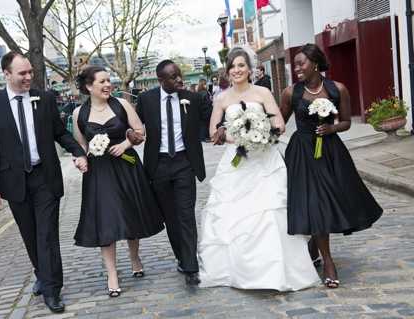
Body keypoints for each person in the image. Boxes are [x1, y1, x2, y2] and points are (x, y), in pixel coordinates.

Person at [199, 47, 320, 291]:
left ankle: (277, 271)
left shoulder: (263, 92)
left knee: (270, 213)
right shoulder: (221, 98)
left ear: (249, 69)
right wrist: (235, 136)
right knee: (236, 215)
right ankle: (239, 270)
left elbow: (278, 121)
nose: (236, 70)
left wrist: (265, 131)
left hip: (265, 161)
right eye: (232, 66)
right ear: (227, 70)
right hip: (236, 163)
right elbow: (213, 132)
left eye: (241, 65)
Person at [0, 51, 88, 313]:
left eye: (30, 72)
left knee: (47, 236)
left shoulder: (45, 98)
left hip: (45, 178)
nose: (29, 77)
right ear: (6, 74)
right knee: (30, 236)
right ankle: (42, 273)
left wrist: (78, 152)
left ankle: (52, 290)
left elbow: (59, 132)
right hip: (14, 182)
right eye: (22, 73)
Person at [280, 43, 383, 289]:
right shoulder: (290, 93)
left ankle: (314, 247)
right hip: (303, 153)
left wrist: (331, 128)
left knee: (331, 200)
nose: (297, 69)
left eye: (301, 63)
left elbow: (346, 121)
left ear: (315, 63)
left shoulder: (338, 89)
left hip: (330, 152)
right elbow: (279, 123)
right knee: (315, 201)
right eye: (295, 65)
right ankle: (328, 262)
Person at [71, 66, 164, 297]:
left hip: (127, 167)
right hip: (98, 174)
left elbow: (140, 131)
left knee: (131, 216)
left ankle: (134, 257)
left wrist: (125, 144)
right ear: (89, 86)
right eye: (102, 81)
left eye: (108, 80)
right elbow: (81, 146)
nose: (107, 85)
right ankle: (112, 274)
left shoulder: (121, 105)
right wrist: (80, 159)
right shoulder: (78, 114)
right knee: (106, 222)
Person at [127, 60, 211, 285]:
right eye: (173, 77)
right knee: (170, 218)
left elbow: (213, 119)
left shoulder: (193, 99)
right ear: (161, 80)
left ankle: (191, 265)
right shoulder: (146, 100)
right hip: (159, 166)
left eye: (179, 75)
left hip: (184, 162)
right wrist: (129, 133)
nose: (179, 80)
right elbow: (134, 125)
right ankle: (182, 258)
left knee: (185, 214)